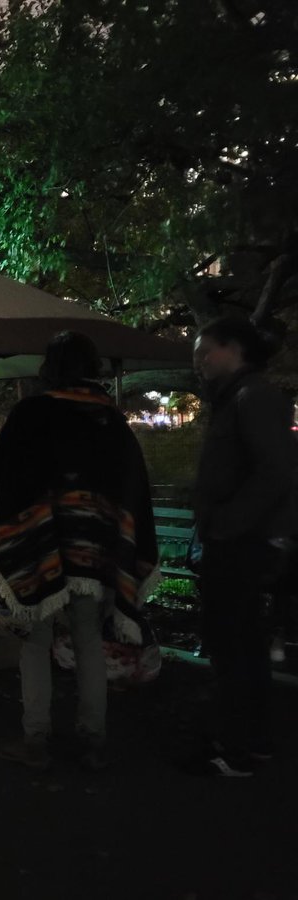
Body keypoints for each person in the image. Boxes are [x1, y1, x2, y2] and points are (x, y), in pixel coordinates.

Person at [0, 332, 157, 771]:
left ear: (51, 367)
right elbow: (134, 494)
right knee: (89, 642)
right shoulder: (112, 422)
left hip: (40, 547)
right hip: (97, 556)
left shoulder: (32, 414)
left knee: (35, 642)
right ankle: (92, 741)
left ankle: (35, 739)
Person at [189, 316, 296, 776]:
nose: (198, 361)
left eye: (205, 350)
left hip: (241, 546)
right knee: (244, 644)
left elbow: (274, 472)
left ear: (234, 349)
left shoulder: (252, 398)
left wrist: (225, 526)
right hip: (242, 542)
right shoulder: (243, 397)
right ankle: (251, 741)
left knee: (232, 644)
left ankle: (235, 749)